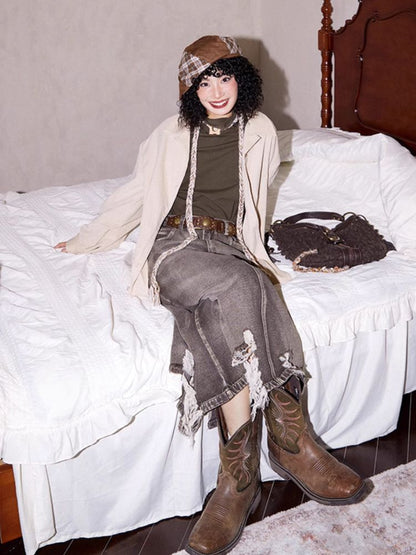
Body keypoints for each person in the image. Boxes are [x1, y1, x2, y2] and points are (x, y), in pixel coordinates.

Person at [55, 35, 372, 555]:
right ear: (190, 89)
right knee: (246, 285)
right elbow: (135, 195)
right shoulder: (169, 134)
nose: (218, 91)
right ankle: (290, 444)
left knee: (245, 287)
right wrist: (88, 239)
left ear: (241, 80)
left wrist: (258, 247)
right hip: (176, 245)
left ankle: (241, 475)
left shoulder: (261, 131)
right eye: (205, 82)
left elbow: (258, 198)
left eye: (226, 78)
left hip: (230, 246)